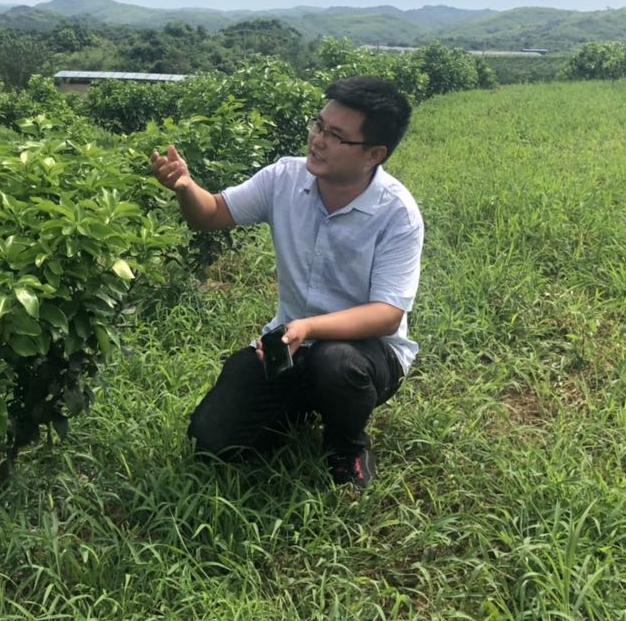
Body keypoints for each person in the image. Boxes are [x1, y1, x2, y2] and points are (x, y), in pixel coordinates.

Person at [149, 76, 423, 489]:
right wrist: (186, 187)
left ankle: (347, 447)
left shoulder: (396, 214)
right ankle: (302, 403)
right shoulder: (284, 179)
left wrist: (309, 326)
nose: (318, 140)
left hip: (367, 355)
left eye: (336, 136)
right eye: (319, 126)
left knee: (336, 364)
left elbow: (387, 315)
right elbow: (210, 215)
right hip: (292, 346)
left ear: (374, 154)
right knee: (212, 441)